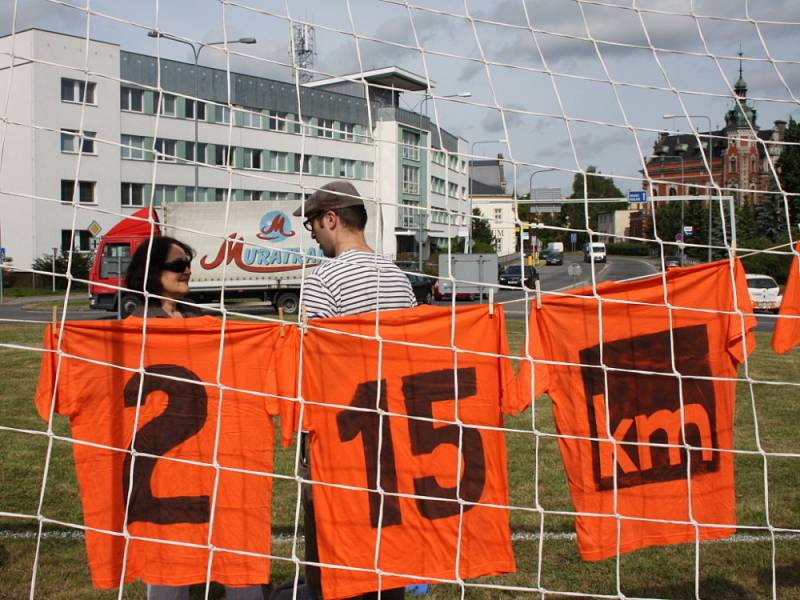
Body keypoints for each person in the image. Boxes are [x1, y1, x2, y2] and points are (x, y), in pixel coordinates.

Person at [271, 182, 415, 600]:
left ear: (331, 219)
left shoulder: (322, 280)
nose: (311, 234)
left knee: (331, 546)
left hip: (341, 436)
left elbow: (315, 366)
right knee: (387, 537)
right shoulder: (398, 276)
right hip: (392, 431)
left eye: (312, 224)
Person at [125, 236, 265, 600]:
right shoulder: (131, 329)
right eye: (177, 264)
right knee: (169, 558)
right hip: (162, 472)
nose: (188, 269)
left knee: (235, 540)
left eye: (188, 261)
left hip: (212, 458)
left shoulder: (202, 322)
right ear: (151, 273)